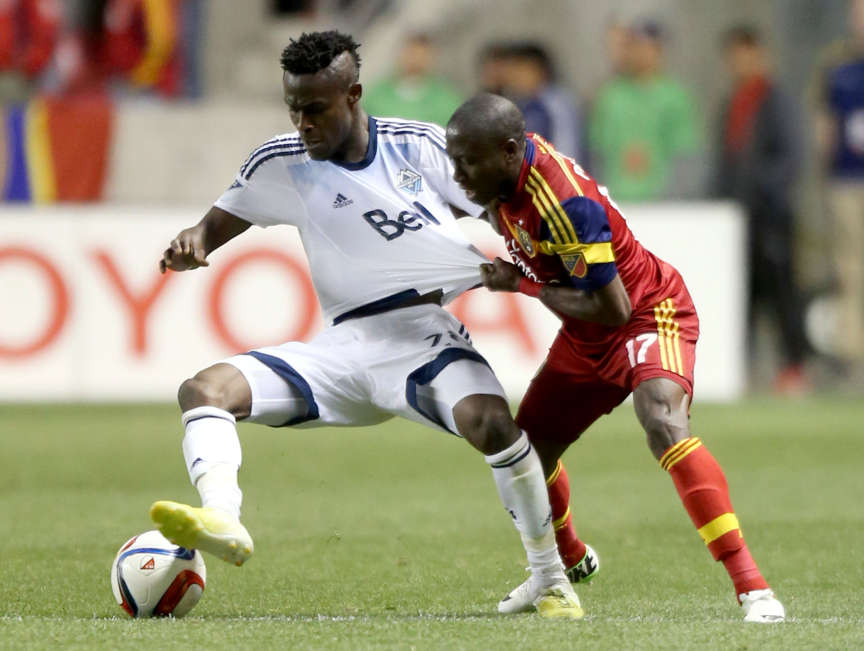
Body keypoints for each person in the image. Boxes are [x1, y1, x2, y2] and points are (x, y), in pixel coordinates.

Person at [149, 31, 581, 620]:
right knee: (204, 391)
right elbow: (215, 224)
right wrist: (191, 243)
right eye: (294, 109)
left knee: (494, 425)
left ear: (352, 95)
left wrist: (528, 265)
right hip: (345, 348)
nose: (303, 123)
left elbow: (504, 203)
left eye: (316, 109)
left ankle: (550, 579)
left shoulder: (421, 148)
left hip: (422, 338)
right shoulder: (281, 162)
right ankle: (223, 517)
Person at [445, 93, 785, 623]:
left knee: (662, 422)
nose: (458, 173)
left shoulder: (564, 203)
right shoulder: (499, 178)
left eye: (467, 161)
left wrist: (521, 286)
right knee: (526, 455)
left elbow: (613, 307)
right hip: (587, 334)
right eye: (455, 159)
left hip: (646, 314)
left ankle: (754, 588)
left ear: (510, 152)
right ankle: (570, 558)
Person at [715, 25, 810, 394]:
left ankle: (794, 366)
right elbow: (727, 160)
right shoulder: (732, 102)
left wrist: (761, 189)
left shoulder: (776, 101)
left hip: (771, 215)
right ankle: (746, 365)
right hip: (739, 217)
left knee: (782, 291)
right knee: (744, 294)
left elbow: (790, 158)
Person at [589, 19, 702, 201]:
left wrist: (676, 199)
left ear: (660, 51)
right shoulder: (610, 96)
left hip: (662, 204)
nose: (642, 54)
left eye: (649, 48)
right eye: (636, 47)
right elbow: (597, 153)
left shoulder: (675, 97)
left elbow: (685, 155)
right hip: (617, 200)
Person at [811, 0, 864, 368]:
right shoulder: (836, 66)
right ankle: (853, 354)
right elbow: (823, 123)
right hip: (848, 180)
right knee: (850, 266)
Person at [363, 32, 462, 126]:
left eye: (422, 55)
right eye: (412, 53)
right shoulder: (377, 96)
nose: (415, 60)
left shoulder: (445, 101)